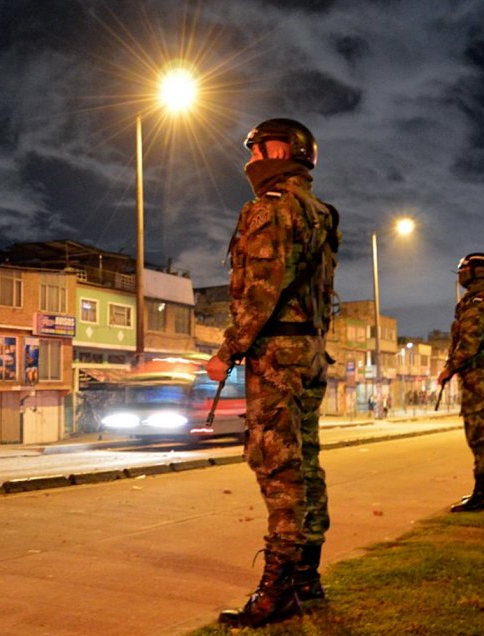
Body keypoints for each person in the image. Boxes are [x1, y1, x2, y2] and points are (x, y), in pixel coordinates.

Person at [205, 118, 340, 628]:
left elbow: (260, 290)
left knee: (278, 466)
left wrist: (228, 351)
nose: (254, 159)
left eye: (260, 149)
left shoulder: (268, 209)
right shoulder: (322, 214)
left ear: (284, 150)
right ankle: (307, 576)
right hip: (309, 351)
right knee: (305, 463)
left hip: (277, 355)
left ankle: (278, 589)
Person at [437, 253, 484, 513]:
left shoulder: (478, 303)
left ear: (477, 272)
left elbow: (468, 344)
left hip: (479, 379)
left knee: (479, 438)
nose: (460, 274)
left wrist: (449, 369)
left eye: (464, 269)